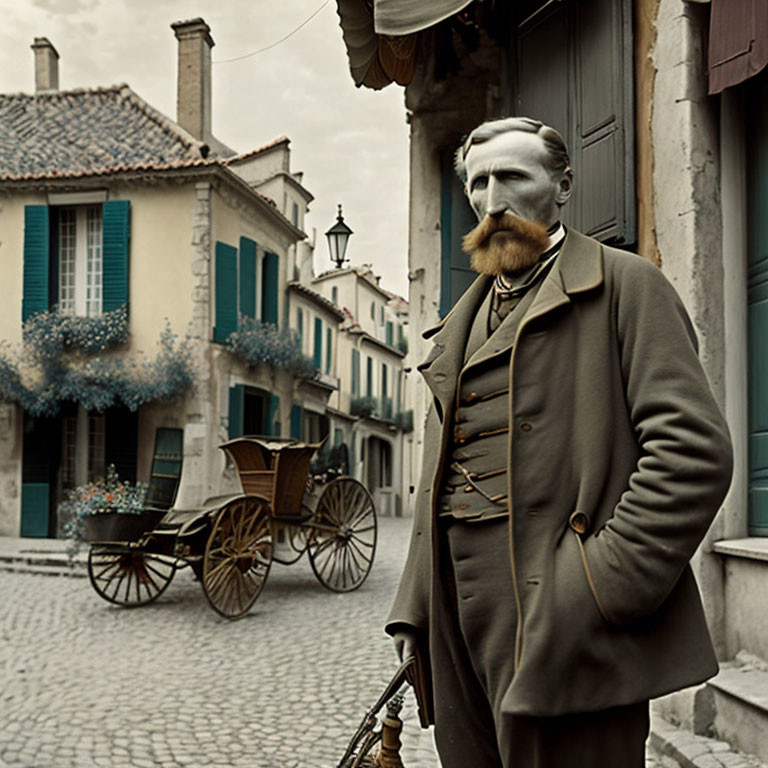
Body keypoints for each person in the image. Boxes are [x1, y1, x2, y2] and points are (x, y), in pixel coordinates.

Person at [386, 117, 733, 768]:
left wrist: (591, 591)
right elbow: (439, 475)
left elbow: (692, 454)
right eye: (479, 182)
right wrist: (415, 613)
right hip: (460, 632)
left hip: (568, 626)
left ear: (563, 185)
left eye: (514, 177)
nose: (493, 200)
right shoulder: (456, 328)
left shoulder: (627, 288)